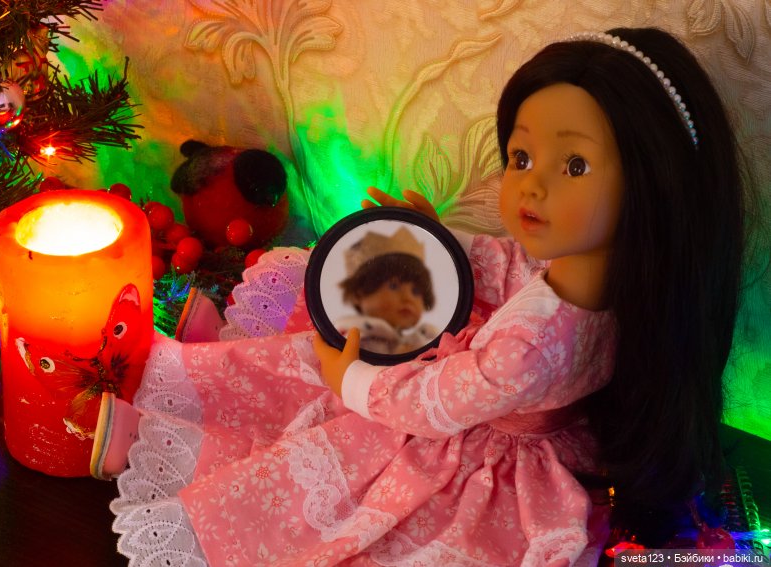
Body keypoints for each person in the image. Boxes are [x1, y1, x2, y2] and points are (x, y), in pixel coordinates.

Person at [98, 27, 745, 566]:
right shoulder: (594, 272)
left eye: (573, 165)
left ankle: (174, 428)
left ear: (653, 182)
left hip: (471, 434)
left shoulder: (536, 344)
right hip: (482, 392)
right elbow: (507, 262)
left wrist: (355, 381)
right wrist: (439, 239)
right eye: (521, 158)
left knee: (335, 408)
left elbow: (437, 401)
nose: (531, 185)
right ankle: (198, 378)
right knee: (337, 333)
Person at [335, 226, 440, 354]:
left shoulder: (422, 340)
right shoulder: (356, 341)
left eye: (416, 291)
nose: (408, 297)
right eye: (393, 286)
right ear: (358, 294)